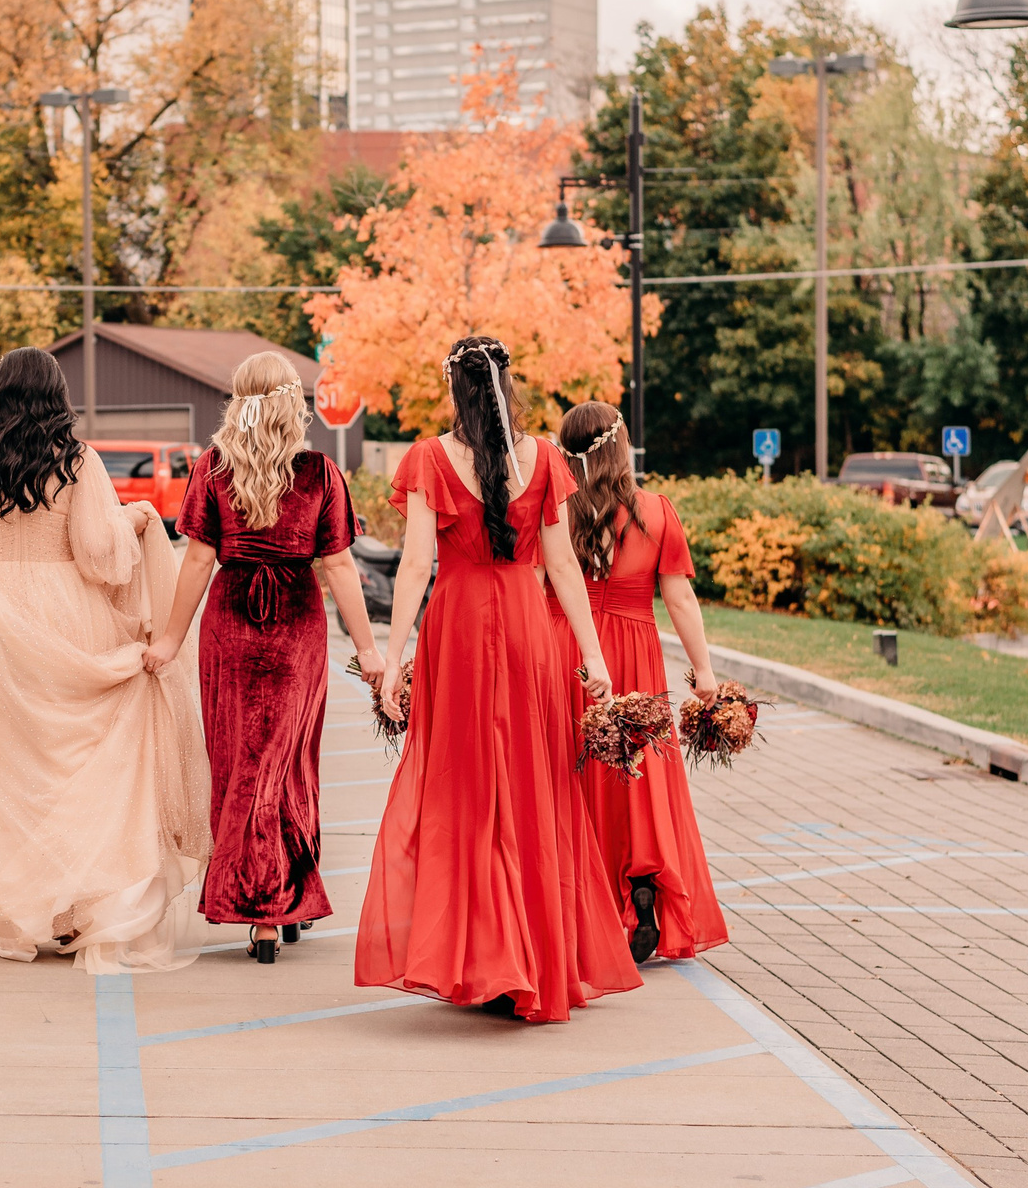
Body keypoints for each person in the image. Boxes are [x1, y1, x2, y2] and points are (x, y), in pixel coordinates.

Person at [0, 347, 209, 969]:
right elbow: (98, 555)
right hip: (68, 609)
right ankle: (73, 910)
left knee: (11, 768)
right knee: (79, 762)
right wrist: (136, 519)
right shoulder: (78, 460)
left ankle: (27, 907)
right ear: (56, 395)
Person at [356, 336, 643, 1022]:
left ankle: (482, 954)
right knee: (531, 784)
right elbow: (564, 567)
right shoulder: (543, 457)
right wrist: (595, 656)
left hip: (457, 628)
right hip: (524, 627)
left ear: (456, 389)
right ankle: (529, 958)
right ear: (508, 387)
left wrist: (395, 658)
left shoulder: (427, 458)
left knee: (465, 789)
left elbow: (417, 565)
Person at [144, 351, 381, 963]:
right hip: (298, 623)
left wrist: (170, 638)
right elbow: (338, 565)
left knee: (238, 760)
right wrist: (368, 648)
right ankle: (276, 901)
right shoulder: (319, 472)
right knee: (288, 760)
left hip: (229, 624)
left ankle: (265, 901)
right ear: (289, 403)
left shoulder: (213, 468)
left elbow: (198, 560)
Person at [553, 401, 731, 965]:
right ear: (621, 446)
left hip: (573, 651)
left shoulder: (555, 510)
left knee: (575, 773)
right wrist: (703, 674)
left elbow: (540, 586)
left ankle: (588, 906)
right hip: (635, 651)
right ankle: (644, 881)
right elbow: (679, 596)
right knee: (640, 776)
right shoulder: (656, 512)